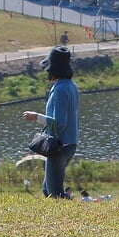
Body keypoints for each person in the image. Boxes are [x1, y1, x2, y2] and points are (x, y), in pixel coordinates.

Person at [22, 45, 79, 198]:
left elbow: (59, 123)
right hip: (70, 143)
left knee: (55, 193)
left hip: (59, 146)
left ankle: (74, 215)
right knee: (48, 189)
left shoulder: (60, 90)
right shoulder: (71, 86)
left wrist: (36, 117)